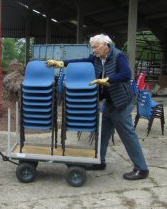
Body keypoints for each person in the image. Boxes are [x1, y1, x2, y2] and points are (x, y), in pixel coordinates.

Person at [46, 34, 149, 180]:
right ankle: (99, 161)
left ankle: (141, 169)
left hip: (121, 102)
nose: (93, 50)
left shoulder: (118, 56)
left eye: (95, 47)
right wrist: (60, 63)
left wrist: (109, 79)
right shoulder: (96, 58)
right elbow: (81, 62)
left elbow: (126, 74)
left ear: (105, 45)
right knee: (102, 133)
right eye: (92, 47)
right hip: (108, 102)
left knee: (127, 135)